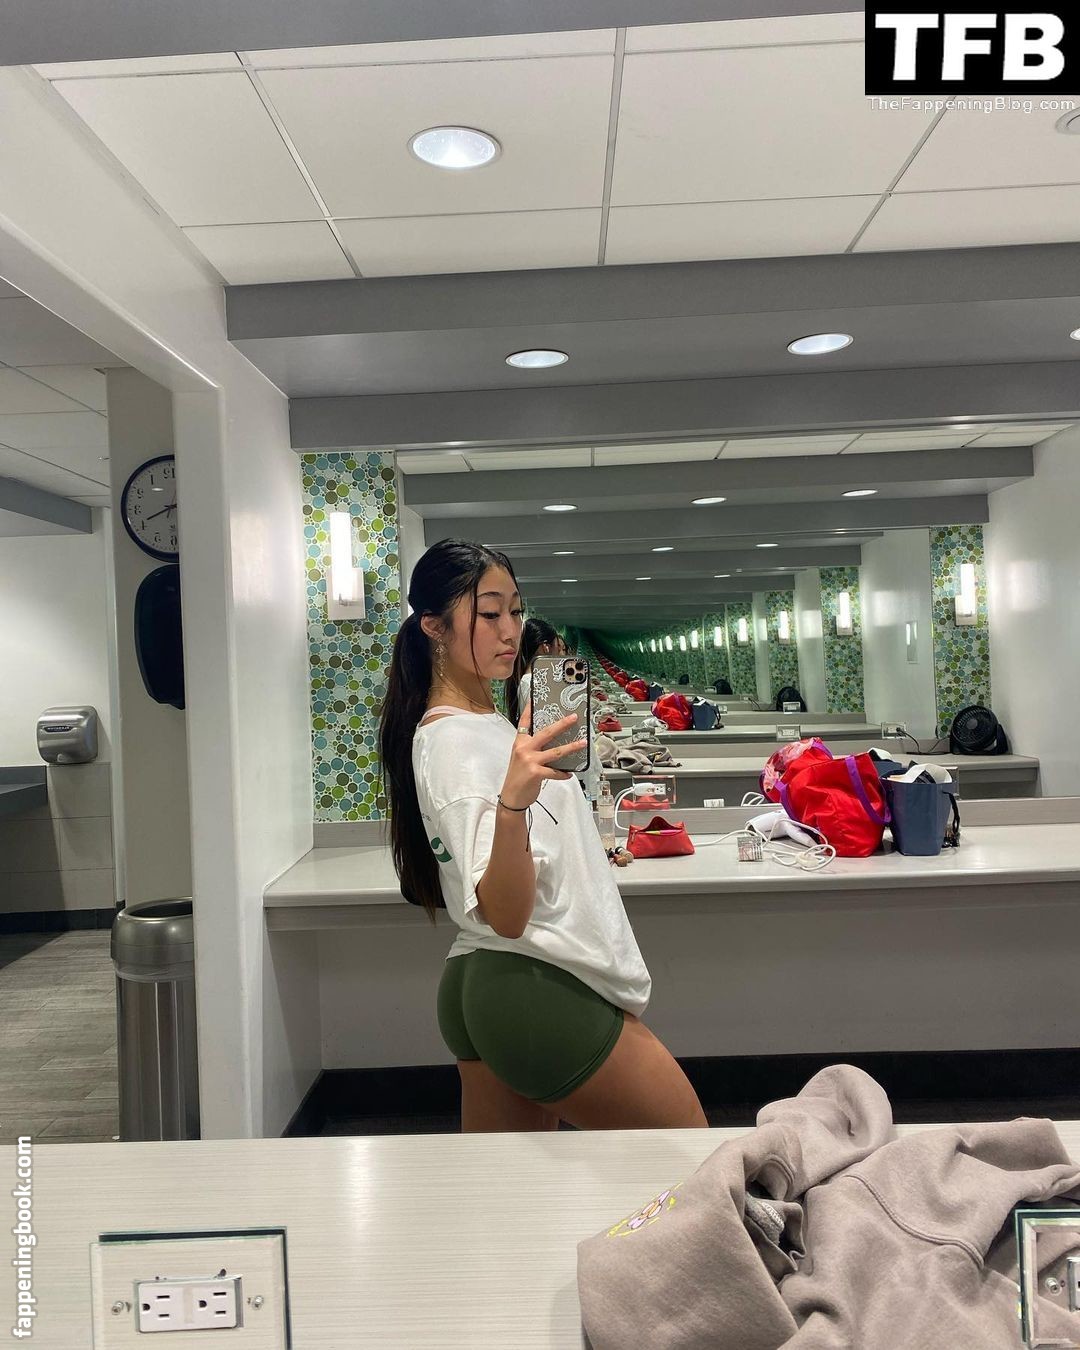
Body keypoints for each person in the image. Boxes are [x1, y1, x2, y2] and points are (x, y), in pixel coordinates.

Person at [378, 539, 707, 1133]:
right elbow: (507, 914)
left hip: (497, 981)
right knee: (691, 1157)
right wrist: (512, 805)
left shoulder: (488, 725)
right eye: (489, 613)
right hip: (534, 981)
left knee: (511, 1190)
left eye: (516, 610)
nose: (510, 631)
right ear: (433, 626)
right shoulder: (455, 743)